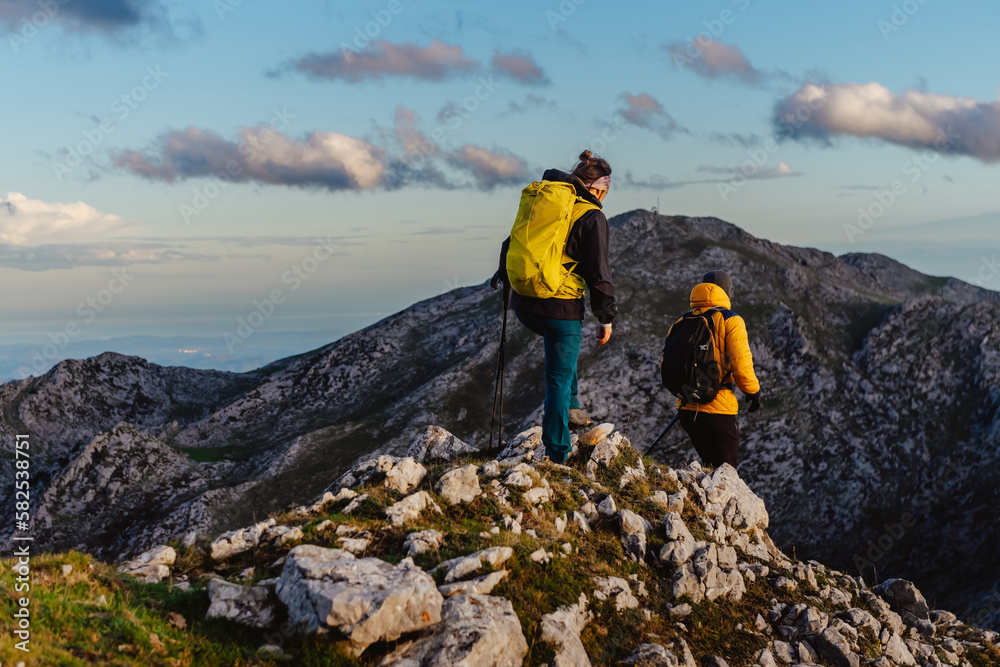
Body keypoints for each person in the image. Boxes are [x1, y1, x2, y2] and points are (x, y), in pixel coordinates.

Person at [495, 150, 617, 463]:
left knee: (565, 360)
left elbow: (512, 241)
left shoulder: (549, 204)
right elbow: (599, 274)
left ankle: (573, 408)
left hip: (525, 304)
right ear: (598, 188)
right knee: (557, 380)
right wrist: (606, 318)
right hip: (559, 310)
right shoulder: (592, 217)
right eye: (606, 189)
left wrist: (502, 274)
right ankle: (558, 452)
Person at [674, 270, 761, 468]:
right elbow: (741, 362)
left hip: (686, 409)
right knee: (725, 474)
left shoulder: (681, 321)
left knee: (709, 467)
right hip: (717, 410)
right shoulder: (731, 319)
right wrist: (753, 391)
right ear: (728, 292)